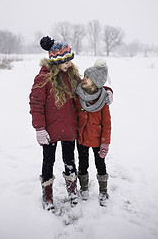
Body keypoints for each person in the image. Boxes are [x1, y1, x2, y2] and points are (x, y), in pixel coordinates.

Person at [29, 36, 80, 211]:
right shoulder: (43, 78)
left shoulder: (72, 76)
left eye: (70, 59)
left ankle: (72, 190)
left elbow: (88, 88)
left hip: (69, 129)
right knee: (48, 161)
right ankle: (48, 194)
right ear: (56, 62)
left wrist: (105, 91)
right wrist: (39, 128)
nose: (69, 64)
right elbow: (36, 104)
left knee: (69, 160)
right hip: (49, 130)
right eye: (65, 61)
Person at [75, 59, 112, 206]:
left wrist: (105, 143)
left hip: (97, 140)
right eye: (83, 76)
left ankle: (103, 190)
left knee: (100, 164)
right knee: (82, 164)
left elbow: (107, 124)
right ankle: (84, 188)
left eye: (87, 78)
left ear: (95, 82)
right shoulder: (78, 96)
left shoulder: (103, 101)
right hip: (82, 138)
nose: (83, 80)